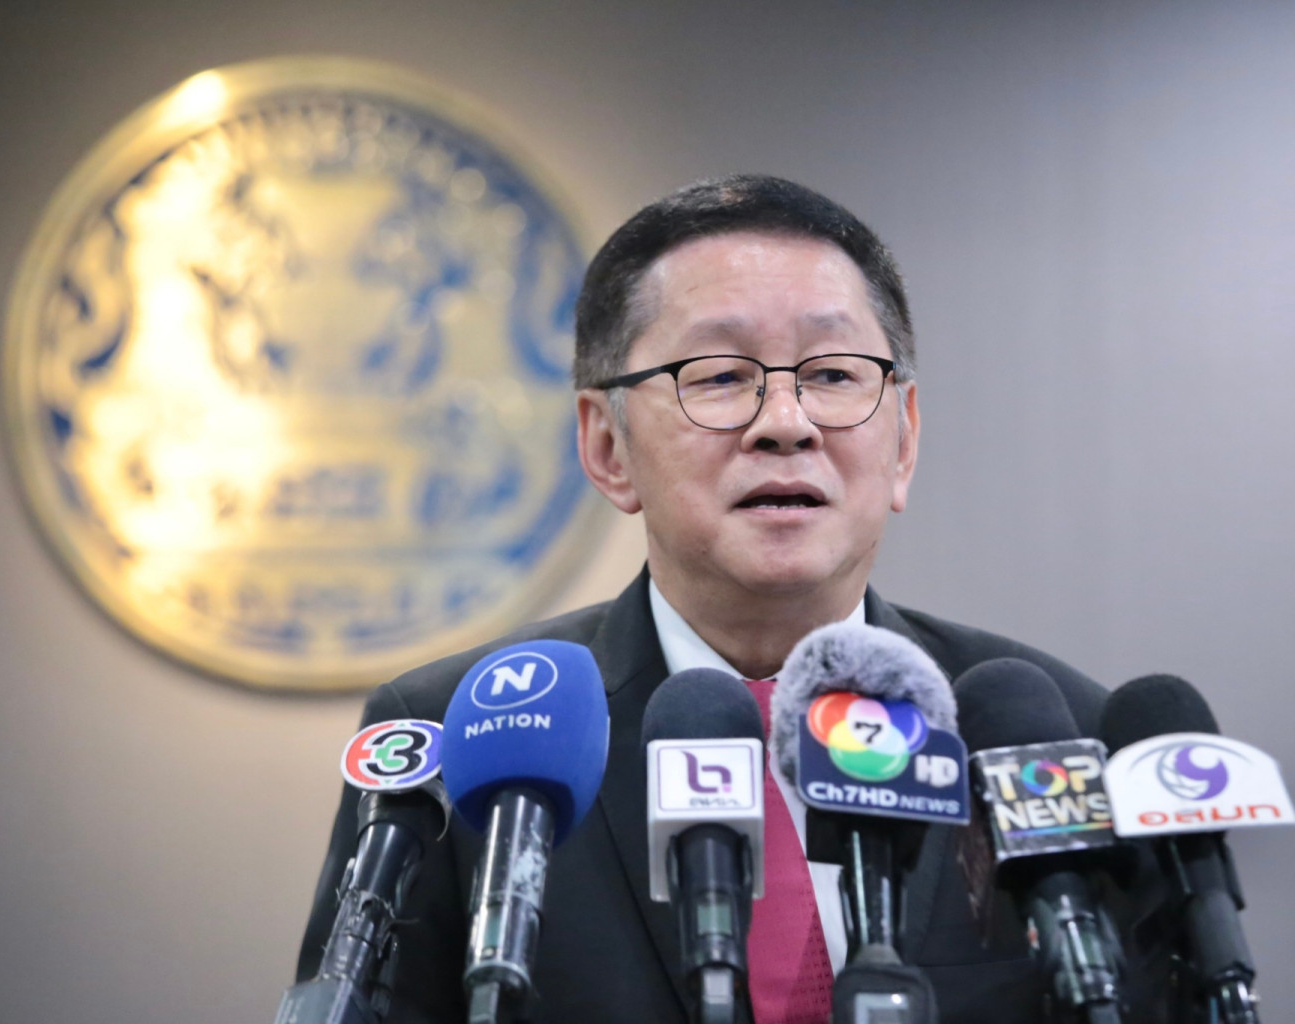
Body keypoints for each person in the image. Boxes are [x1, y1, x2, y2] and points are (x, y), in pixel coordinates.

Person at [296, 175, 1167, 1023]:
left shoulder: (1053, 739)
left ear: (903, 439)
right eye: (718, 376)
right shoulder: (459, 736)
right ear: (607, 447)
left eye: (833, 374)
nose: (786, 422)